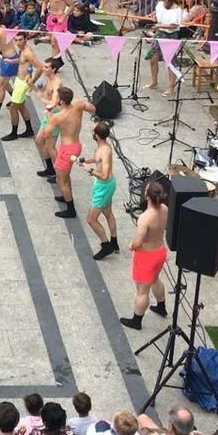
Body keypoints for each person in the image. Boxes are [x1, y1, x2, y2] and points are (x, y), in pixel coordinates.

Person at [120, 181, 169, 330]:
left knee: (142, 291)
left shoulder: (145, 218)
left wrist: (131, 245)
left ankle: (136, 321)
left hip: (146, 257)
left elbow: (138, 242)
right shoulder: (165, 209)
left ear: (147, 197)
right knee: (155, 279)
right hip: (160, 251)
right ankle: (161, 306)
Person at [44, 87, 96, 219]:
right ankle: (65, 196)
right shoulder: (78, 104)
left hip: (67, 150)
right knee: (65, 176)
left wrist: (49, 116)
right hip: (76, 145)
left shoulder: (58, 117)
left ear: (61, 101)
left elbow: (47, 134)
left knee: (61, 179)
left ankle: (70, 209)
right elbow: (92, 108)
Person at [79, 121, 119, 260]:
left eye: (92, 131)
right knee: (108, 212)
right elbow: (97, 159)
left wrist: (89, 170)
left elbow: (105, 175)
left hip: (104, 187)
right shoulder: (101, 145)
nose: (91, 132)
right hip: (104, 185)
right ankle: (114, 242)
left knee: (91, 219)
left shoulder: (105, 151)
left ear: (96, 135)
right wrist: (86, 161)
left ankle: (106, 245)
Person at [2, 33, 44, 141]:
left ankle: (14, 133)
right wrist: (11, 61)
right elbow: (22, 61)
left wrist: (32, 82)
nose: (18, 42)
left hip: (23, 83)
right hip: (19, 80)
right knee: (21, 106)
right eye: (16, 40)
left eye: (20, 40)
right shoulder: (22, 49)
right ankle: (29, 130)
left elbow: (40, 68)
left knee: (13, 108)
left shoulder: (28, 52)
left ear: (25, 39)